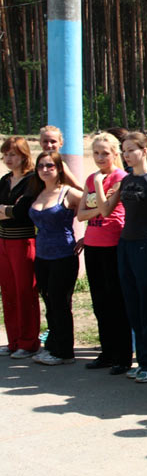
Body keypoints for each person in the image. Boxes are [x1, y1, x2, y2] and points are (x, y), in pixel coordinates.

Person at [101, 132, 147, 383]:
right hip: (126, 245)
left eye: (131, 149)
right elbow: (105, 210)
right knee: (132, 304)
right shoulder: (126, 179)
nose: (126, 154)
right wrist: (100, 185)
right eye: (124, 150)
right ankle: (142, 360)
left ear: (144, 151)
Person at [77, 133, 133, 373]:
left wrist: (100, 189)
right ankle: (107, 352)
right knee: (99, 301)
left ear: (115, 154)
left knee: (115, 301)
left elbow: (107, 212)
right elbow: (81, 214)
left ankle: (122, 356)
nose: (100, 157)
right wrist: (98, 207)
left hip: (113, 243)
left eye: (105, 153)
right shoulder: (90, 178)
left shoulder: (121, 178)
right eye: (96, 153)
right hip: (92, 244)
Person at [27, 152, 82, 365]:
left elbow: (96, 207)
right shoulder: (37, 192)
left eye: (50, 165)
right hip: (42, 256)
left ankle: (65, 352)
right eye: (40, 166)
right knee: (49, 302)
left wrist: (88, 236)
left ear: (59, 168)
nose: (45, 169)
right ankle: (52, 345)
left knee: (60, 302)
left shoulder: (69, 193)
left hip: (64, 255)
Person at [0, 137, 40, 359]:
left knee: (25, 292)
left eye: (13, 154)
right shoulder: (5, 180)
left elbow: (22, 212)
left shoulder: (31, 180)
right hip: (3, 242)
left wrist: (7, 211)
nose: (8, 158)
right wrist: (9, 210)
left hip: (24, 241)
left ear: (24, 155)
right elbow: (12, 211)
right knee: (8, 292)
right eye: (5, 154)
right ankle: (14, 340)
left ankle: (28, 341)